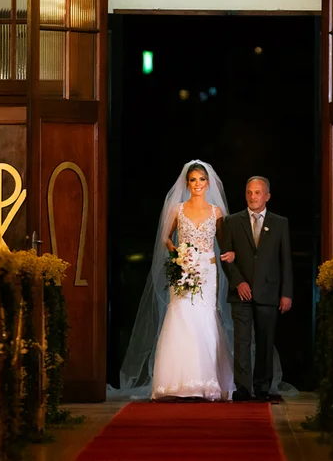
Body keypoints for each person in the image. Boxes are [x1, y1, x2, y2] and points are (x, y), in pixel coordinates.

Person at [116, 160, 236, 401]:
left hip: (207, 271)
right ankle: (175, 382)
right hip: (183, 269)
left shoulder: (216, 212)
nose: (198, 184)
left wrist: (228, 254)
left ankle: (207, 381)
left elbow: (224, 243)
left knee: (205, 317)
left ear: (208, 183)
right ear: (187, 183)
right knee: (180, 316)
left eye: (202, 179)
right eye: (193, 180)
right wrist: (178, 255)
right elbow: (166, 237)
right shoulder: (178, 210)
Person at [221, 176, 293, 402]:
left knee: (265, 341)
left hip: (269, 292)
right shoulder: (231, 222)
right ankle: (242, 387)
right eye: (249, 192)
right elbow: (225, 258)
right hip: (240, 292)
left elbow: (285, 260)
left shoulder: (280, 223)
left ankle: (262, 387)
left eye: (257, 192)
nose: (253, 196)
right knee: (241, 342)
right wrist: (238, 282)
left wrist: (287, 293)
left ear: (267, 196)